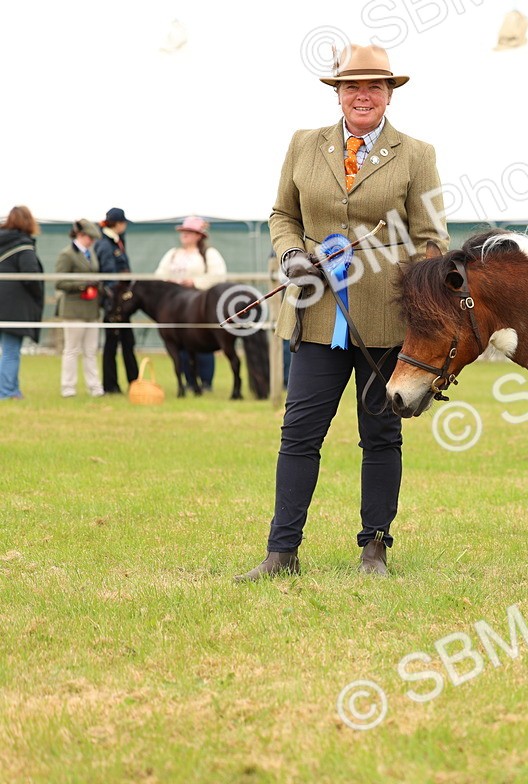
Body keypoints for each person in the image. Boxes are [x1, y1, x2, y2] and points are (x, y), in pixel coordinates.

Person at [235, 43, 447, 581]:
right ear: (337, 92)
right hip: (315, 315)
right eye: (352, 86)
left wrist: (426, 316)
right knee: (299, 433)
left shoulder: (416, 155)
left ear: (389, 94)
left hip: (385, 320)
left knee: (380, 436)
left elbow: (430, 241)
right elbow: (283, 213)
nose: (363, 95)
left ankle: (374, 547)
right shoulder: (304, 145)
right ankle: (281, 552)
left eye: (374, 86)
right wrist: (290, 255)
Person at [156, 215, 227, 391]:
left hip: (198, 305)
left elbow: (218, 276)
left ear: (198, 235)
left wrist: (195, 282)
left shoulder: (208, 254)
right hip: (175, 307)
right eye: (184, 231)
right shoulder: (173, 254)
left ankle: (206, 381)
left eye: (189, 232)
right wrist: (170, 283)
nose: (185, 235)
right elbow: (159, 275)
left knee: (202, 341)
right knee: (179, 343)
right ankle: (188, 380)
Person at [0, 206, 45, 400]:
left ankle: (12, 389)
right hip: (13, 308)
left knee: (8, 350)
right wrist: (37, 296)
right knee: (11, 351)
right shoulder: (23, 246)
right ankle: (7, 392)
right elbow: (30, 276)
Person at [56, 219, 104, 398]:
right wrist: (83, 285)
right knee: (72, 349)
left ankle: (95, 387)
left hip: (91, 309)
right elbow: (60, 282)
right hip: (74, 309)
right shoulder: (67, 255)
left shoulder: (90, 254)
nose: (91, 241)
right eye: (89, 237)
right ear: (80, 235)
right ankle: (68, 387)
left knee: (91, 350)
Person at [97, 207, 139, 393]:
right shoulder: (106, 245)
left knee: (128, 342)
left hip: (122, 302)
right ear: (118, 223)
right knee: (112, 344)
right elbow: (109, 275)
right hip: (113, 303)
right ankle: (110, 385)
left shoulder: (118, 242)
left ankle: (134, 382)